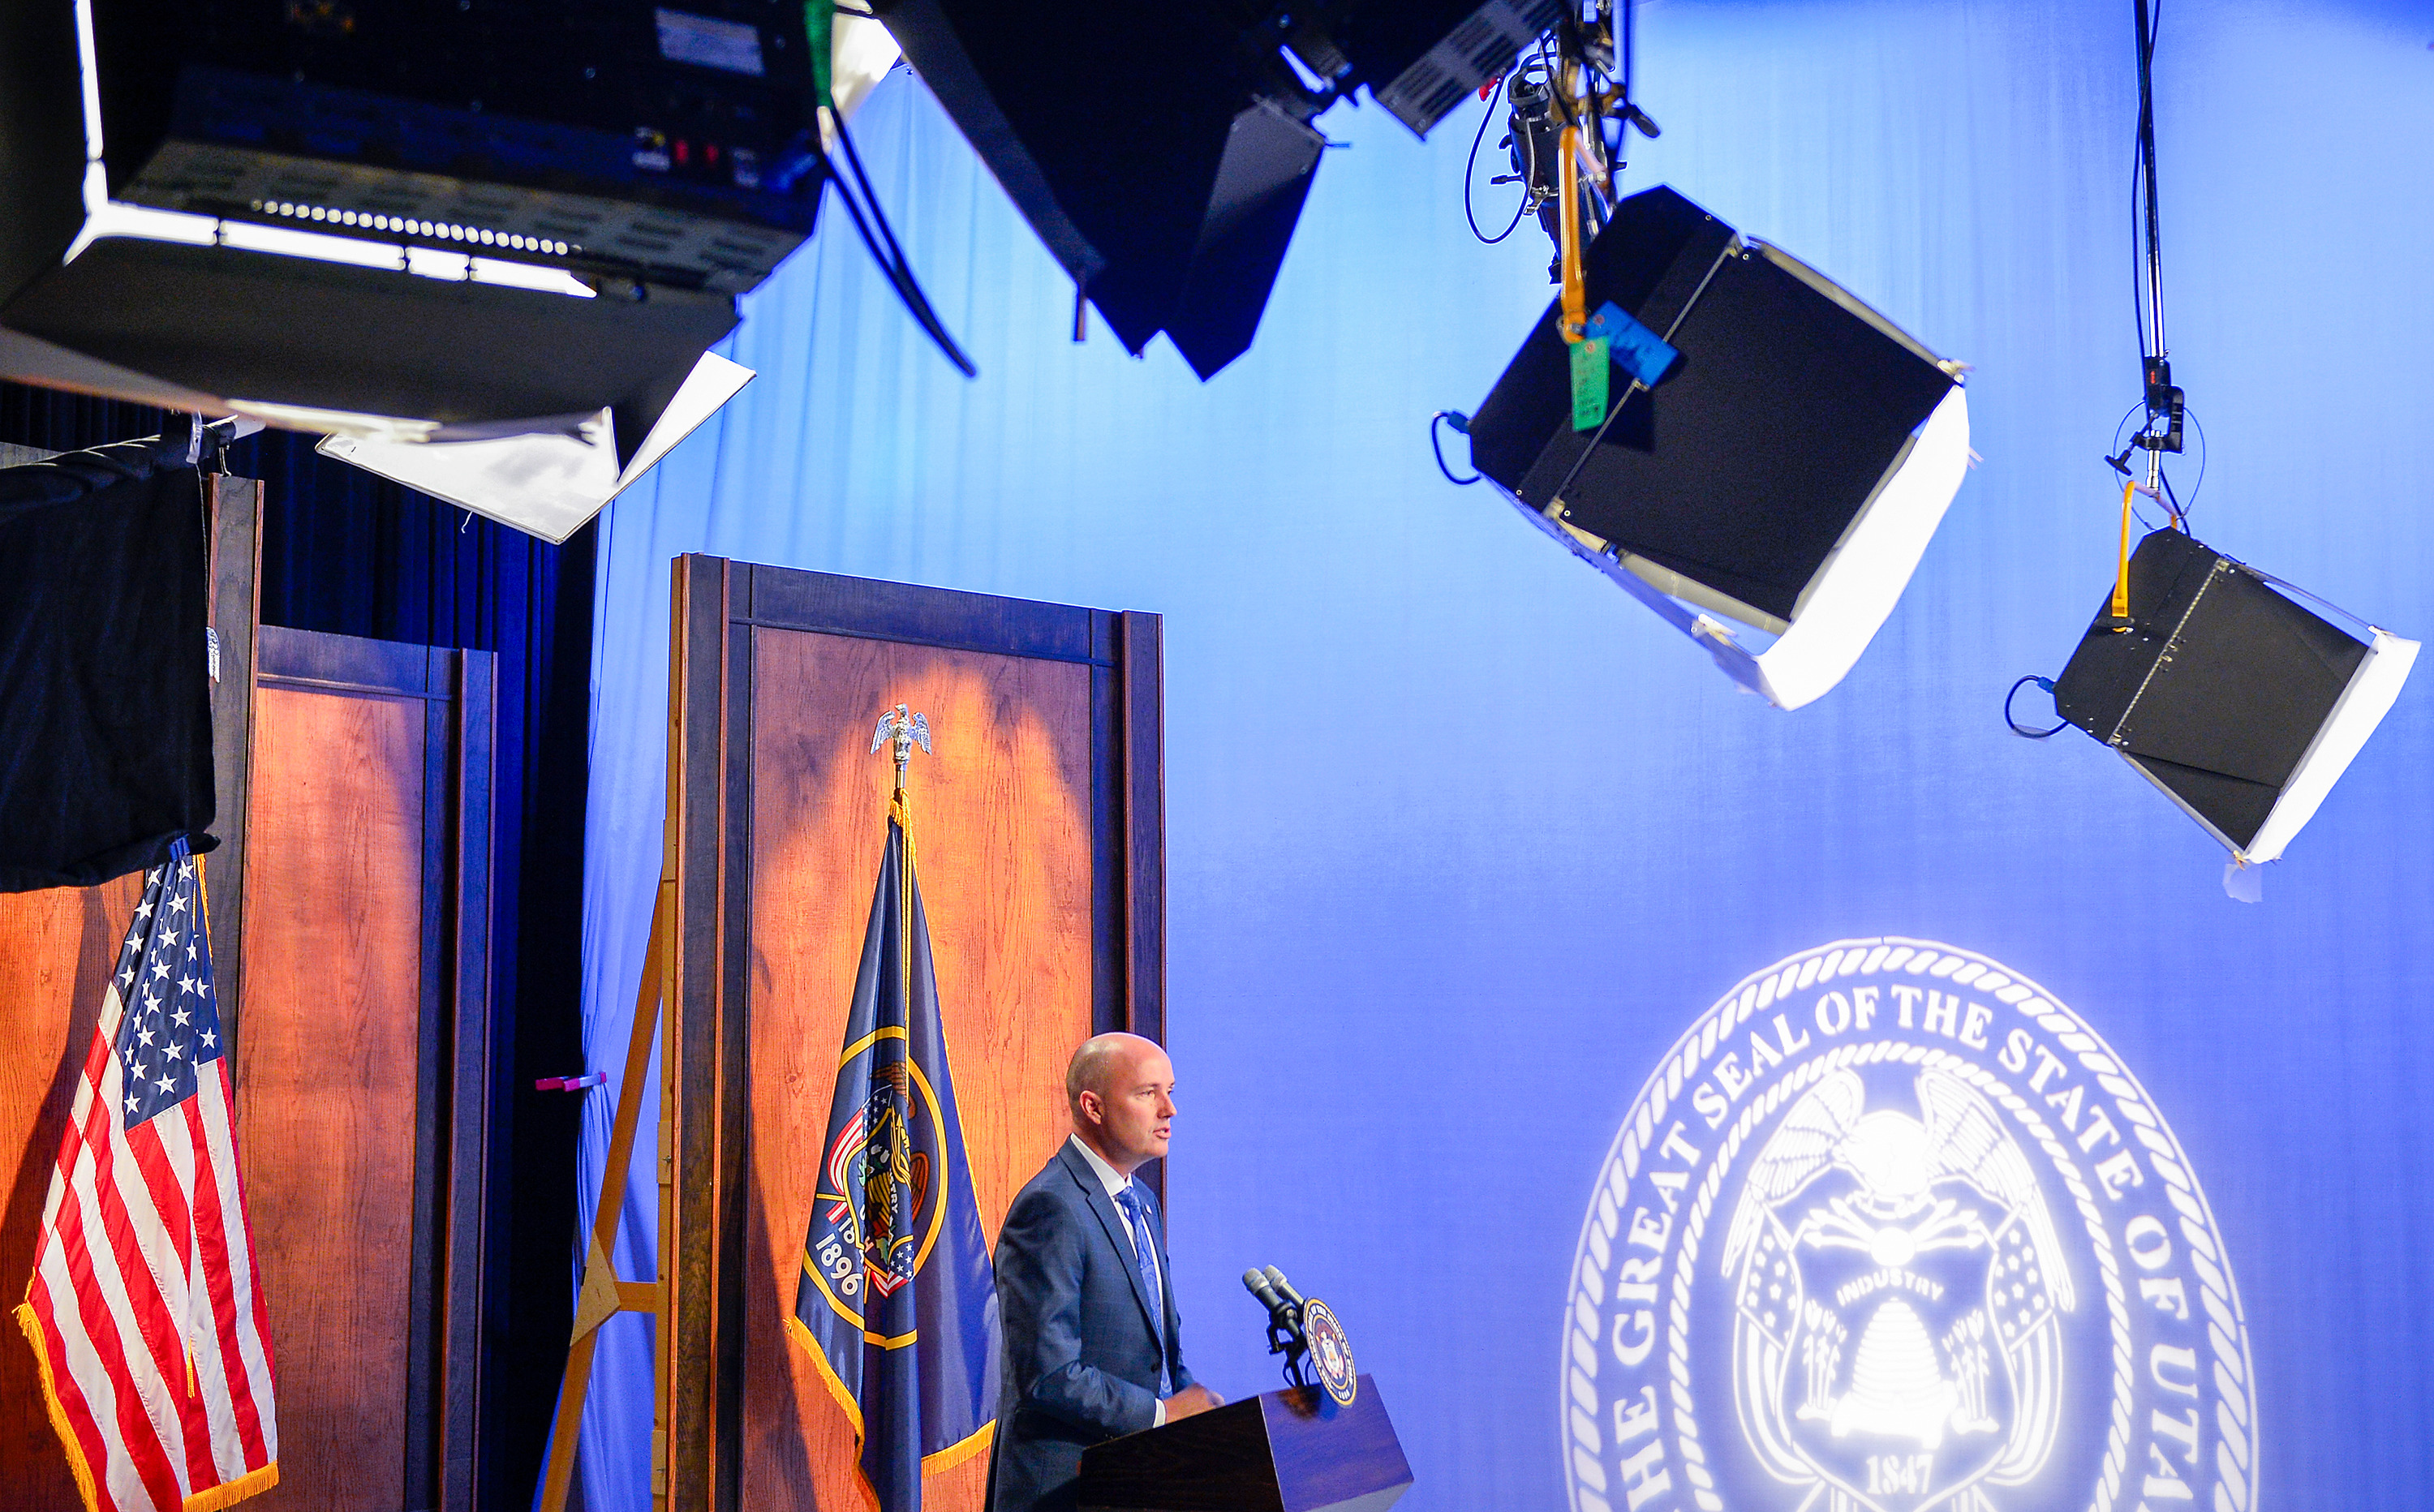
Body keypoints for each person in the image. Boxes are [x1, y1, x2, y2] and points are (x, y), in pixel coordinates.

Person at [986, 1033, 1223, 1512]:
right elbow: (1050, 1374)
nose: (1169, 1110)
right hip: (1063, 1493)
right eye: (1148, 1093)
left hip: (1138, 1484)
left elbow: (1155, 1355)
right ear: (1093, 1107)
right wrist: (1163, 1414)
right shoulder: (1051, 1207)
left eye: (1169, 1091)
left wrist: (1198, 1412)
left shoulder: (1143, 1203)